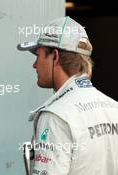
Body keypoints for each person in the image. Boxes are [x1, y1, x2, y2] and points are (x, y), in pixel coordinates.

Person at [18, 16, 118, 175]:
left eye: (38, 55)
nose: (34, 64)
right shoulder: (114, 108)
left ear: (55, 56)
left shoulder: (56, 116)